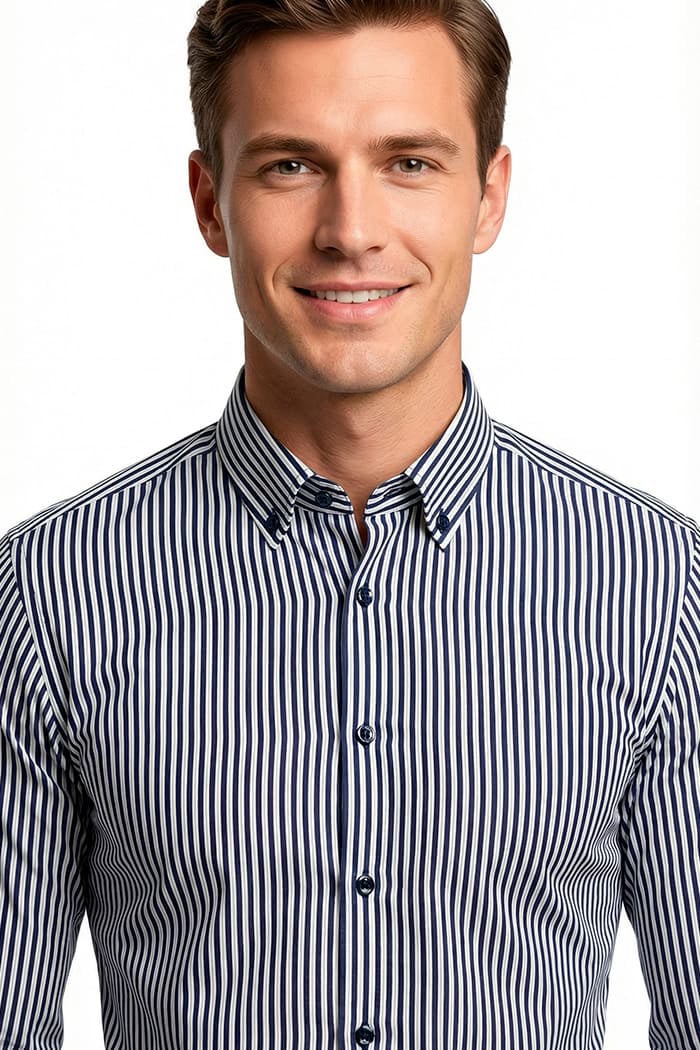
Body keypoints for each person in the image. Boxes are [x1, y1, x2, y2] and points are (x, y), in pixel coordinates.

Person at [1, 0, 698, 1046]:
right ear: (210, 202)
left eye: (409, 163)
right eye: (290, 166)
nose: (350, 231)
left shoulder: (662, 585)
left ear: (489, 196)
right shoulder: (44, 593)